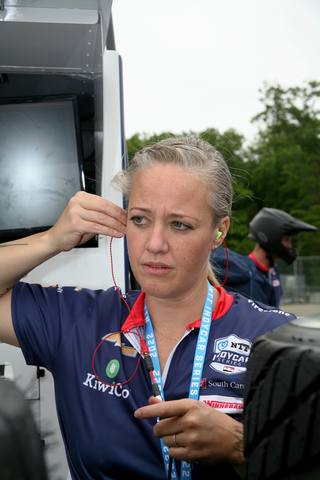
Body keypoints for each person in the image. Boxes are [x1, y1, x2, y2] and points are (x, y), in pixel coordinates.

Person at [0, 137, 296, 480]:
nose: (154, 244)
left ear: (219, 231)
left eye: (179, 224)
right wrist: (49, 239)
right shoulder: (75, 318)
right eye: (140, 220)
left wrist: (239, 445)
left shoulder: (276, 336)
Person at [211, 208, 317, 307]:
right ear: (271, 237)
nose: (289, 246)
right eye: (286, 240)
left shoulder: (272, 270)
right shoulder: (239, 272)